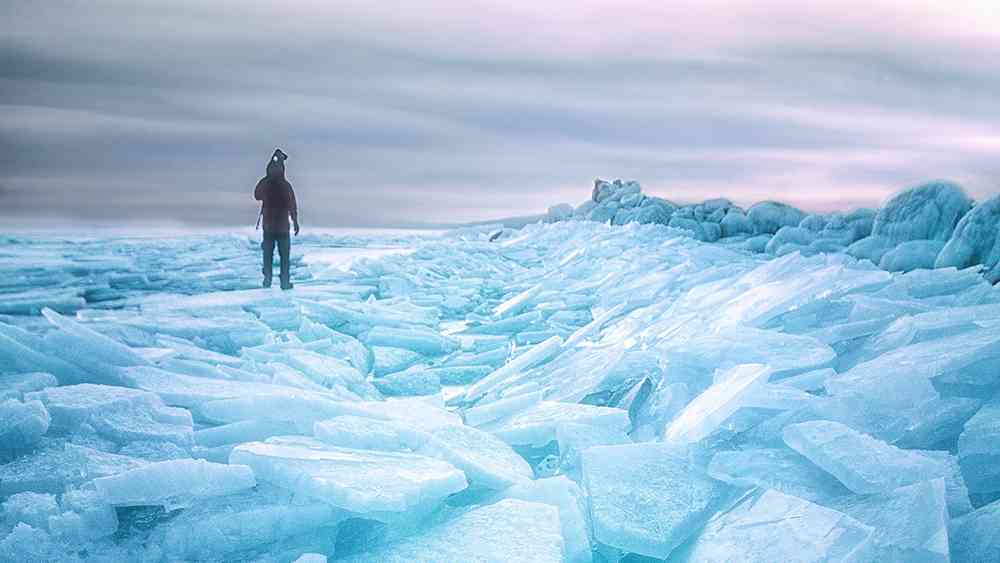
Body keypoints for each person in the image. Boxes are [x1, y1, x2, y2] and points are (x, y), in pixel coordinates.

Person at [254, 148, 299, 289]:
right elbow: (292, 204)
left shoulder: (266, 184)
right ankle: (284, 283)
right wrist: (295, 221)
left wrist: (266, 178)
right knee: (284, 256)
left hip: (268, 226)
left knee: (268, 254)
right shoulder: (285, 185)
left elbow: (257, 195)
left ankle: (267, 280)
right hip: (282, 227)